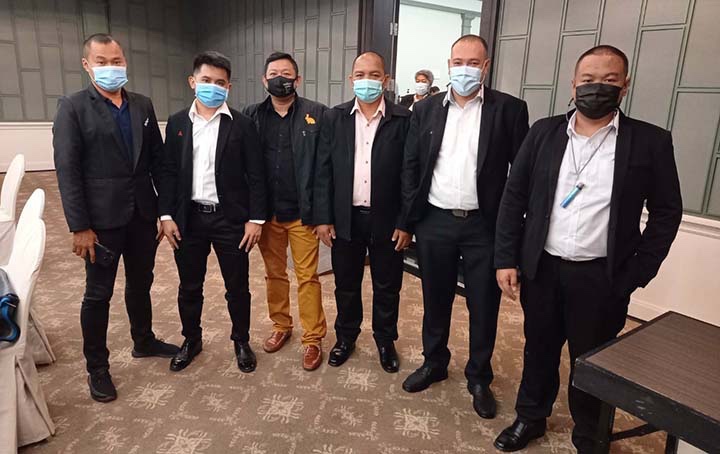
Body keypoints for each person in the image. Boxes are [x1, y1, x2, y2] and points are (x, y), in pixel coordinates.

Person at [493, 45, 682, 453]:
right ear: (573, 84)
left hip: (602, 276)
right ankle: (530, 417)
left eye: (609, 80)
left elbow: (667, 212)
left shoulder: (650, 141)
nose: (598, 87)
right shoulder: (543, 132)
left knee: (593, 360)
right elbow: (514, 196)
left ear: (625, 86)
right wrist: (506, 257)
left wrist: (639, 270)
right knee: (538, 348)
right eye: (588, 79)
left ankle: (590, 434)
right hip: (543, 268)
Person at [401, 34, 529, 421]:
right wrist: (410, 219)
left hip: (484, 225)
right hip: (435, 220)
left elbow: (520, 177)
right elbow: (411, 166)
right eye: (458, 62)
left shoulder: (510, 110)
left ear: (485, 67)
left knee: (483, 304)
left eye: (473, 63)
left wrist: (512, 234)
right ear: (448, 64)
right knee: (434, 298)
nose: (464, 69)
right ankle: (434, 362)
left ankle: (479, 377)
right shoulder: (425, 109)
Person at [53, 33, 179, 403]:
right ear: (87, 65)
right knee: (98, 294)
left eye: (117, 60)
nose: (112, 67)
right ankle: (98, 368)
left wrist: (164, 211)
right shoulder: (72, 107)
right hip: (100, 222)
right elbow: (68, 171)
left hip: (142, 215)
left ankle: (144, 340)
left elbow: (158, 163)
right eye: (103, 62)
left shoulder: (142, 105)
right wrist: (79, 226)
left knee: (141, 283)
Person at [157, 51, 267, 374]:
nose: (213, 87)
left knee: (238, 288)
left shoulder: (242, 125)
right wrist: (166, 215)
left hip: (230, 219)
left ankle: (241, 341)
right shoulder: (178, 122)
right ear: (193, 82)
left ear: (228, 86)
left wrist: (256, 219)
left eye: (220, 82)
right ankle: (191, 340)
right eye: (206, 80)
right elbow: (168, 172)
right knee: (190, 286)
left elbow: (257, 175)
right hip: (188, 219)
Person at [313, 51, 412, 373]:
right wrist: (323, 217)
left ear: (386, 80)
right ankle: (346, 337)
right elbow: (323, 170)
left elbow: (409, 174)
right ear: (351, 79)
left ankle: (385, 340)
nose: (366, 80)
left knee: (387, 286)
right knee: (346, 283)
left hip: (388, 220)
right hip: (346, 218)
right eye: (360, 75)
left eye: (374, 75)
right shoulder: (334, 117)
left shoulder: (403, 119)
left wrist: (406, 222)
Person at [243, 52, 328, 371]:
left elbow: (324, 169)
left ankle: (313, 339)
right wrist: (251, 214)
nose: (280, 78)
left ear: (298, 79)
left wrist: (322, 215)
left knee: (308, 277)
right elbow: (246, 167)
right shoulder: (251, 115)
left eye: (287, 73)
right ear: (264, 80)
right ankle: (281, 325)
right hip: (267, 215)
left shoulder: (316, 113)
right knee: (274, 274)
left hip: (303, 214)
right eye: (274, 73)